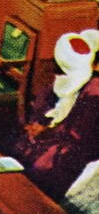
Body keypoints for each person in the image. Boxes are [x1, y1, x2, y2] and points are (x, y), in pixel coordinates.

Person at [11, 30, 99, 201]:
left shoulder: (94, 90)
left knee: (39, 163)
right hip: (64, 138)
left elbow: (77, 136)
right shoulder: (84, 83)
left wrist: (46, 132)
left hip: (76, 152)